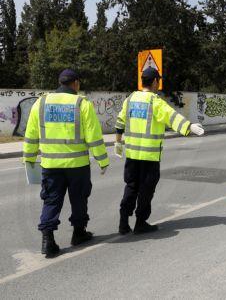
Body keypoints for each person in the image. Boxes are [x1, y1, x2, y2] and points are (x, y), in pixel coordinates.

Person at [23, 69, 109, 258]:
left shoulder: (41, 103)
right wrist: (102, 160)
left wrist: (29, 159)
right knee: (79, 199)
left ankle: (48, 241)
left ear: (60, 82)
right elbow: (94, 136)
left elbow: (31, 134)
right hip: (77, 165)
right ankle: (78, 233)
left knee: (51, 200)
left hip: (51, 165)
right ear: (76, 83)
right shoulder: (82, 104)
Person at [114, 67, 205, 235]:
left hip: (132, 155)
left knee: (131, 186)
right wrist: (189, 127)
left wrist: (118, 143)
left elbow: (120, 121)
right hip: (149, 156)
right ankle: (140, 223)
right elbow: (172, 117)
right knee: (146, 190)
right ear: (155, 81)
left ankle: (123, 222)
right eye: (158, 81)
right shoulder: (154, 102)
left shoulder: (131, 99)